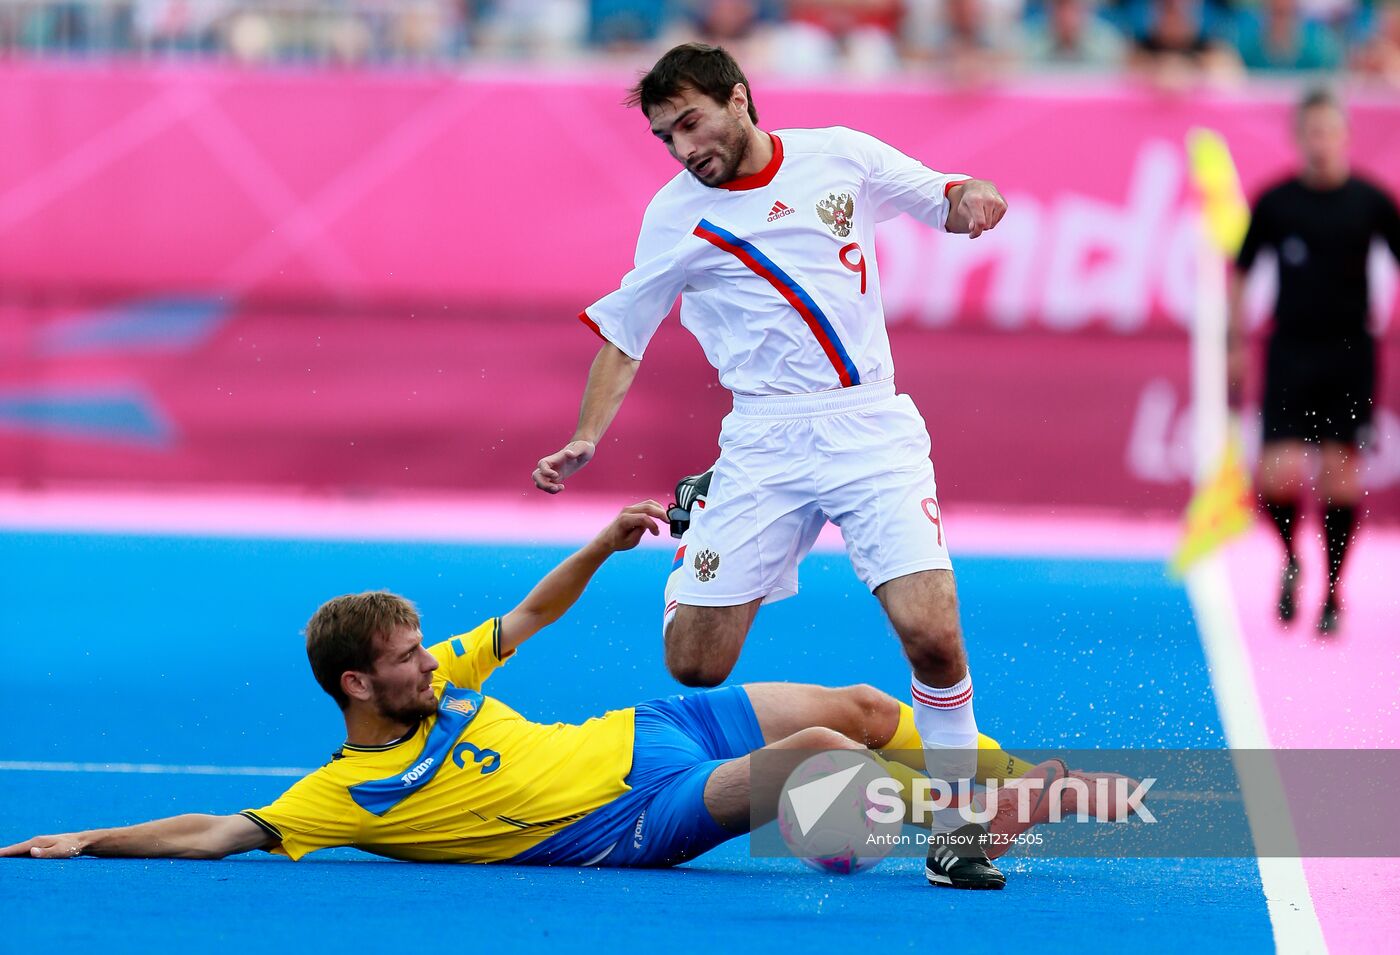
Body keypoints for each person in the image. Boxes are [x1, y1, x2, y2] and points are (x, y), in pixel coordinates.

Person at [0, 502, 1127, 879]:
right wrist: (84, 838)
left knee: (864, 705)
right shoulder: (351, 793)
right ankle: (964, 822)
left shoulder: (436, 679)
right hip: (622, 823)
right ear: (356, 682)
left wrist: (600, 542)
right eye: (403, 658)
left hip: (646, 732)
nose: (427, 661)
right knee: (816, 757)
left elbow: (530, 616)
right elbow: (213, 831)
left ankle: (1014, 786)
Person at [530, 43, 1011, 888]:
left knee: (934, 637)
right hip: (763, 442)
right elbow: (625, 333)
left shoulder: (840, 155)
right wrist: (586, 437)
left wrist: (973, 198)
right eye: (665, 136)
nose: (683, 149)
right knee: (697, 665)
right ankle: (700, 522)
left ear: (739, 100)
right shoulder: (675, 216)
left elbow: (943, 194)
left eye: (690, 123)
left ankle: (958, 823)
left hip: (870, 429)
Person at [1228, 88, 1400, 634]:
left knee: (1340, 477)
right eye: (1312, 132)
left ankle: (1331, 589)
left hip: (1351, 352)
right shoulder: (1277, 201)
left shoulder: (1372, 202)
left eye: (1330, 131)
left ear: (1345, 136)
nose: (1321, 143)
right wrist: (1234, 343)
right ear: (1299, 137)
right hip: (1291, 351)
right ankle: (1291, 557)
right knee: (1275, 475)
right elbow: (1242, 268)